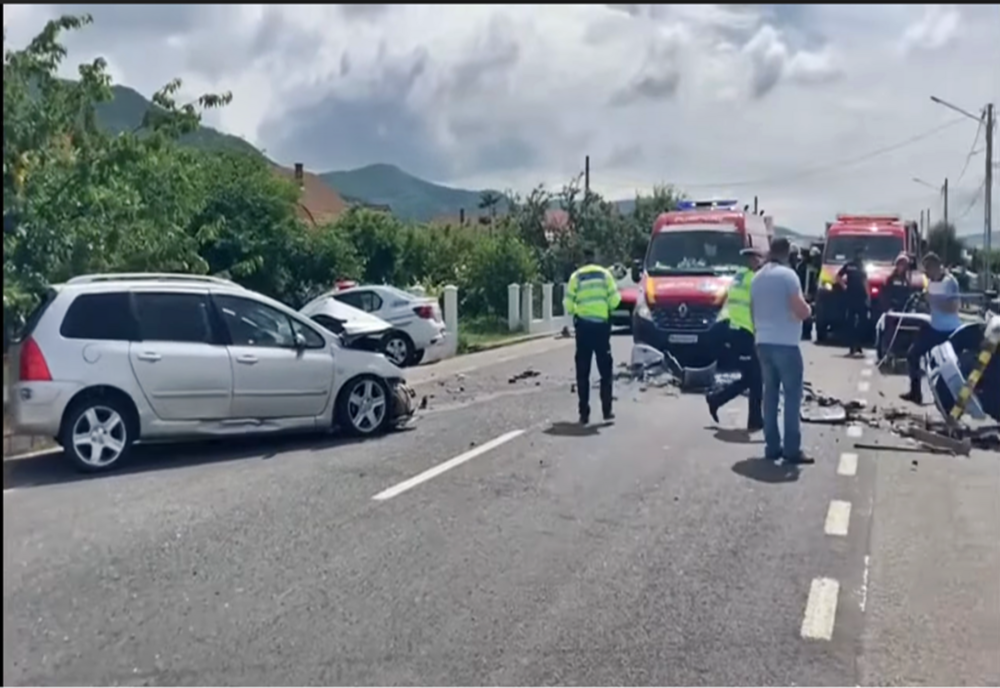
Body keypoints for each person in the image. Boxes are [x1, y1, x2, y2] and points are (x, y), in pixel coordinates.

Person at [750, 237, 814, 464]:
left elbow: (752, 310)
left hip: (762, 341)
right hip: (785, 343)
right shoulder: (788, 276)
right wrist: (807, 308)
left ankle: (772, 446)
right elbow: (801, 310)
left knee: (770, 394)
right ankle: (791, 449)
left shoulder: (757, 278)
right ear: (787, 253)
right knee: (792, 396)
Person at [706, 247, 764, 431]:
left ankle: (754, 419)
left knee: (753, 378)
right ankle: (717, 400)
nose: (760, 263)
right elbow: (757, 308)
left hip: (736, 330)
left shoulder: (739, 277)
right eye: (759, 260)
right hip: (746, 332)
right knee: (754, 378)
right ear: (755, 260)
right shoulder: (754, 279)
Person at [564, 247, 622, 424]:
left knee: (583, 371)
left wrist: (579, 311)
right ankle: (606, 410)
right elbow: (615, 301)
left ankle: (584, 413)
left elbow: (567, 304)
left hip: (583, 328)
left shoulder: (576, 277)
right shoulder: (605, 275)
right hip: (601, 328)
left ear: (583, 259)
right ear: (595, 259)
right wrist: (604, 309)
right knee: (605, 370)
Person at [900, 252, 962, 405]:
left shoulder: (950, 282)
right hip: (934, 328)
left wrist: (933, 301)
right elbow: (929, 300)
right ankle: (915, 393)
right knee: (913, 354)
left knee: (947, 367)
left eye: (927, 270)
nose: (926, 274)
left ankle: (950, 400)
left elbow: (954, 307)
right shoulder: (931, 281)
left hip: (949, 331)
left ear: (935, 266)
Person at [837, 247, 869, 356]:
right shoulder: (861, 266)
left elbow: (838, 277)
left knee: (852, 322)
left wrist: (844, 286)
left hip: (852, 296)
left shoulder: (849, 265)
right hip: (858, 297)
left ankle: (855, 346)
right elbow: (865, 282)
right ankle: (855, 346)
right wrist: (868, 296)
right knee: (859, 322)